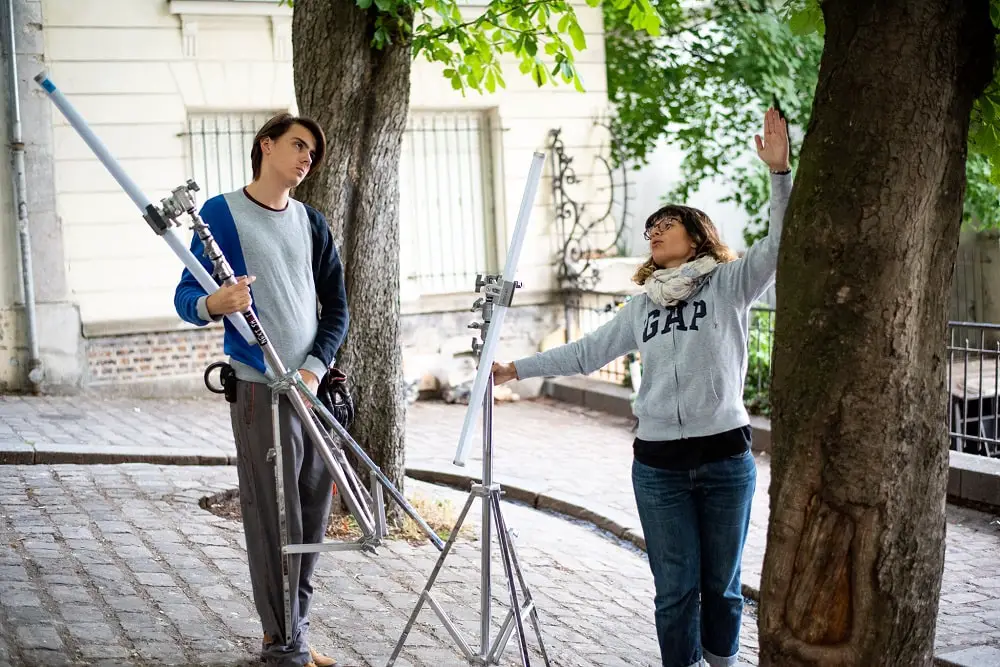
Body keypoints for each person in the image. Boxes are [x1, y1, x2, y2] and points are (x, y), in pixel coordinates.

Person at [493, 108, 791, 667]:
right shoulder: (641, 307)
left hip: (726, 458)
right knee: (675, 590)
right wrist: (516, 368)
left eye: (666, 224)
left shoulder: (728, 285)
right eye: (649, 228)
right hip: (658, 467)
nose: (653, 231)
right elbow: (585, 353)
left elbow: (777, 248)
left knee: (722, 588)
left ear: (697, 235)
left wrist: (778, 175)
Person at [174, 113, 347, 667]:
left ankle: (296, 631)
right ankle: (280, 644)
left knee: (313, 516)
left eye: (312, 154)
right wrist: (213, 305)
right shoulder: (221, 216)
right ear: (266, 146)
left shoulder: (312, 223)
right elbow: (184, 296)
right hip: (259, 392)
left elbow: (337, 309)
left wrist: (317, 367)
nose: (306, 159)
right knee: (275, 517)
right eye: (298, 146)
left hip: (311, 393)